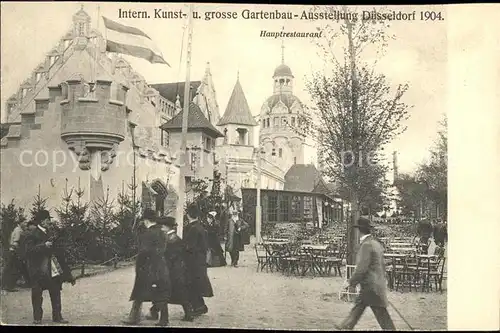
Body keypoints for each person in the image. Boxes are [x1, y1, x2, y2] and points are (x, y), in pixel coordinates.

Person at [337, 217, 395, 331]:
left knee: (381, 315)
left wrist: (350, 282)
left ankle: (346, 326)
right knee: (359, 307)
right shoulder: (376, 243)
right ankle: (346, 326)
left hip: (371, 287)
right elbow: (382, 266)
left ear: (359, 231)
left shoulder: (366, 245)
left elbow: (361, 268)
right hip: (376, 285)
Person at [23, 210, 76, 324]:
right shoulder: (31, 234)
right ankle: (37, 318)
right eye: (48, 219)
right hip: (38, 270)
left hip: (52, 268)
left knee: (56, 291)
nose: (50, 222)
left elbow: (58, 252)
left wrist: (67, 273)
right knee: (37, 294)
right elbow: (28, 251)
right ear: (42, 221)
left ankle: (57, 317)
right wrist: (43, 246)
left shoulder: (50, 233)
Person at [122, 209, 171, 326]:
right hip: (161, 266)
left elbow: (144, 252)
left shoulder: (148, 233)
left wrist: (139, 266)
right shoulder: (162, 231)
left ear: (146, 220)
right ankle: (164, 319)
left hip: (148, 267)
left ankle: (134, 317)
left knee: (139, 291)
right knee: (161, 292)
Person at [148, 216, 194, 322]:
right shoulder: (174, 237)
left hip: (171, 270)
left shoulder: (170, 239)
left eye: (162, 227)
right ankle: (188, 314)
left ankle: (161, 317)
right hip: (177, 271)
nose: (161, 229)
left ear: (166, 227)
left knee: (163, 292)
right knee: (179, 293)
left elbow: (169, 256)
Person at [184, 203, 214, 317]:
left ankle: (198, 307)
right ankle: (199, 306)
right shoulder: (200, 227)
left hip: (193, 262)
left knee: (192, 284)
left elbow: (189, 247)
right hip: (199, 261)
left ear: (188, 215)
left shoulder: (192, 229)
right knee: (195, 284)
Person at [2, 220, 31, 291]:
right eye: (24, 222)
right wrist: (17, 252)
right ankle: (9, 286)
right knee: (14, 269)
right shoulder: (19, 231)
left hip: (12, 251)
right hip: (14, 252)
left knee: (11, 268)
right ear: (20, 223)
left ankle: (5, 285)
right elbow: (15, 242)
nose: (26, 224)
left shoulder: (16, 229)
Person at [225, 203, 249, 267]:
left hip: (238, 237)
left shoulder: (240, 220)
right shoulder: (229, 220)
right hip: (230, 237)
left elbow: (246, 225)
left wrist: (241, 228)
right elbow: (226, 228)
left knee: (236, 250)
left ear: (237, 214)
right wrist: (225, 235)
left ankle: (235, 262)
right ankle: (233, 260)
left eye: (235, 213)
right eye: (233, 213)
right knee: (231, 250)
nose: (234, 214)